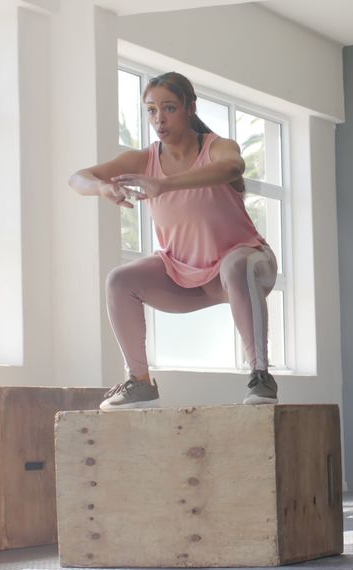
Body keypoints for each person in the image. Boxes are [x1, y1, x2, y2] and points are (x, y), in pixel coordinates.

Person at [68, 72, 279, 410]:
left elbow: (233, 167)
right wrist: (103, 188)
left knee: (236, 264)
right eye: (151, 110)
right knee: (119, 280)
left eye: (169, 108)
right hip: (185, 276)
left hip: (249, 267)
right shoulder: (144, 158)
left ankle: (261, 376)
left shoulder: (215, 147)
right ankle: (140, 382)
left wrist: (165, 185)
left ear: (189, 107)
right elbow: (77, 178)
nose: (159, 119)